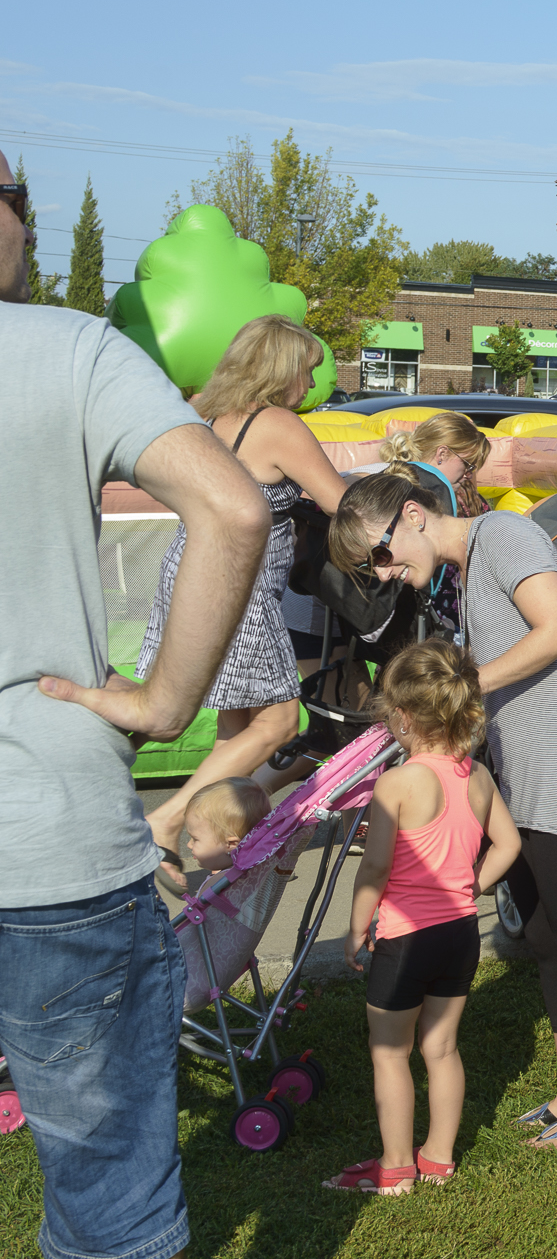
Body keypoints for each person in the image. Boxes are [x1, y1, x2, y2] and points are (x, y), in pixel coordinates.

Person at [3, 162, 270, 1259]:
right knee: (113, 1182)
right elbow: (233, 507)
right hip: (49, 839)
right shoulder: (66, 351)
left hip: (53, 847)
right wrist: (168, 703)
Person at [329, 471, 557, 1147]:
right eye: (369, 568)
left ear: (413, 514)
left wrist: (460, 687)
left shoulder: (504, 534)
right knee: (546, 939)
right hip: (530, 777)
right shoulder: (471, 568)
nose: (383, 572)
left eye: (381, 552)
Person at [137, 315, 348, 867]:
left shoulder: (204, 413)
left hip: (188, 567)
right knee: (279, 722)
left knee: (234, 735)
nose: (309, 386)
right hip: (239, 585)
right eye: (305, 372)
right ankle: (169, 819)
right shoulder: (274, 422)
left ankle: (214, 843)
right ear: (280, 370)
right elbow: (339, 503)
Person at [327, 639, 520, 1196]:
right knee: (441, 1049)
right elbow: (506, 846)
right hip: (460, 934)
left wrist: (358, 927)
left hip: (406, 938)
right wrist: (470, 887)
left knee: (390, 1052)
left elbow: (377, 868)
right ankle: (437, 1159)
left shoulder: (397, 784)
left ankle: (395, 1168)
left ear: (403, 719)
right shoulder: (477, 776)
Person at [378, 412, 492, 518]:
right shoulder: (397, 494)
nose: (469, 475)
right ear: (441, 454)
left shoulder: (467, 497)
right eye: (468, 465)